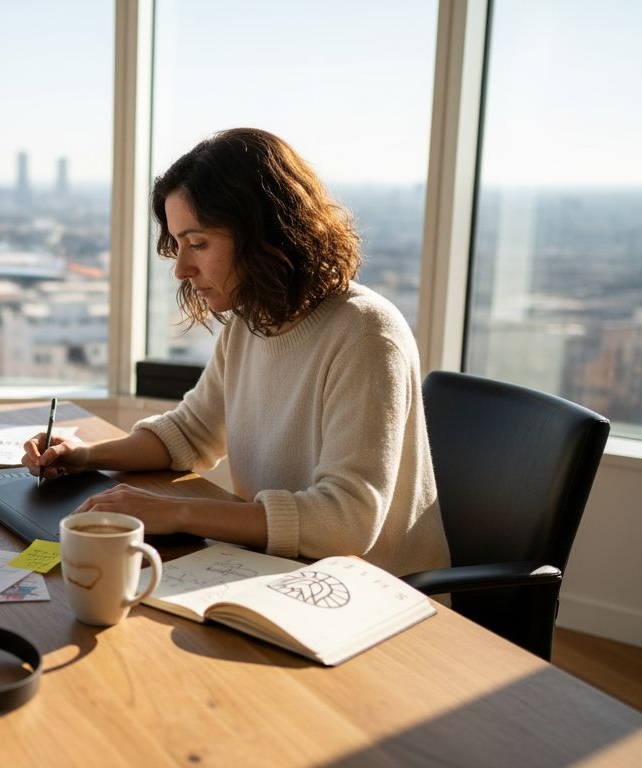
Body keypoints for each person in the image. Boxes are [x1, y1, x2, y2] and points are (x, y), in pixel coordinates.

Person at [23, 128, 449, 577]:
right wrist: (85, 456)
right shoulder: (252, 321)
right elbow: (191, 432)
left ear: (266, 232)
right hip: (280, 574)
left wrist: (176, 511)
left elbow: (345, 522)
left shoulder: (365, 334)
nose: (183, 269)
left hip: (376, 596)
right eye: (179, 245)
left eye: (199, 244)